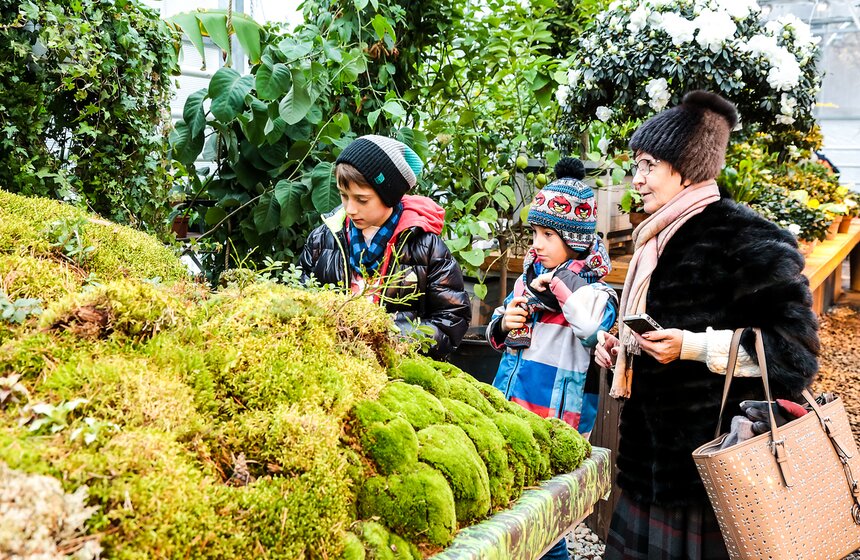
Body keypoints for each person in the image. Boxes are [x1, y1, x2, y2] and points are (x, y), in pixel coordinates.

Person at [594, 91, 820, 559]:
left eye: (648, 165)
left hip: (711, 468)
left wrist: (692, 347)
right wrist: (621, 347)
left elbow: (795, 355)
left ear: (686, 167)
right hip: (647, 463)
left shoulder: (746, 238)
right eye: (636, 165)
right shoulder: (654, 239)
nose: (636, 180)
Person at [486, 157, 618, 560]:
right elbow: (498, 325)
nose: (536, 243)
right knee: (514, 513)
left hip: (556, 423)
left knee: (546, 520)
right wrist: (503, 322)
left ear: (576, 240)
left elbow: (591, 328)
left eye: (548, 234)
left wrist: (559, 286)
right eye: (535, 232)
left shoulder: (595, 294)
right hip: (510, 406)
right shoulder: (527, 284)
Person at [299, 135, 470, 359]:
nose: (350, 208)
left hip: (398, 374)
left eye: (362, 200)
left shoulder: (425, 247)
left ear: (389, 195)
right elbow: (300, 298)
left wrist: (393, 339)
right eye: (344, 196)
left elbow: (452, 317)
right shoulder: (323, 239)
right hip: (331, 367)